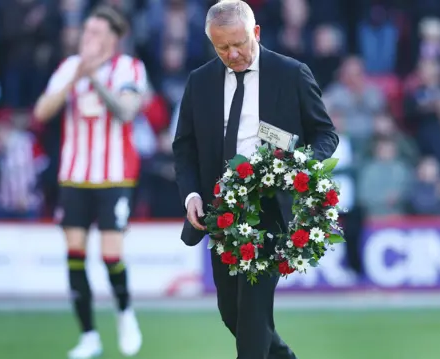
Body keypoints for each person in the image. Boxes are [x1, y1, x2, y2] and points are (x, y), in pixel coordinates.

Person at [172, 1, 339, 358]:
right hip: (221, 214)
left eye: (239, 44)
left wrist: (299, 164)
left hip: (272, 212)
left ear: (256, 33)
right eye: (222, 47)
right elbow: (184, 148)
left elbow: (325, 134)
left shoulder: (291, 73)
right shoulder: (199, 81)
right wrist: (190, 196)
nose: (233, 54)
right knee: (232, 312)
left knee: (250, 317)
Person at [33, 5, 146, 359]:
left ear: (113, 39)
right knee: (75, 255)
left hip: (114, 177)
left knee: (111, 255)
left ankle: (125, 313)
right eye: (86, 32)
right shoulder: (69, 68)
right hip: (74, 177)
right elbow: (41, 112)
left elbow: (126, 111)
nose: (87, 38)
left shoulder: (129, 68)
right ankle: (88, 336)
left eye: (96, 33)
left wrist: (95, 78)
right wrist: (75, 76)